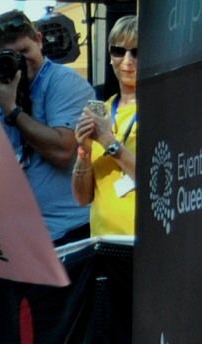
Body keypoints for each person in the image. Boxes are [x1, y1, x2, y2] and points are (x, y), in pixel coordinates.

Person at [0, 9, 95, 244]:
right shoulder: (2, 90)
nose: (19, 61)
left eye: (24, 51)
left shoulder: (64, 83)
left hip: (69, 232)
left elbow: (62, 151)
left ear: (39, 40)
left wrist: (13, 111)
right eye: (9, 55)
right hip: (23, 239)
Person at [71, 15, 138, 237]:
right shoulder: (104, 110)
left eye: (136, 52)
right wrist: (84, 150)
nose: (127, 60)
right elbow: (82, 198)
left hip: (143, 244)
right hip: (102, 241)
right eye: (119, 51)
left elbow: (157, 181)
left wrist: (108, 141)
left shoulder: (163, 109)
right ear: (110, 56)